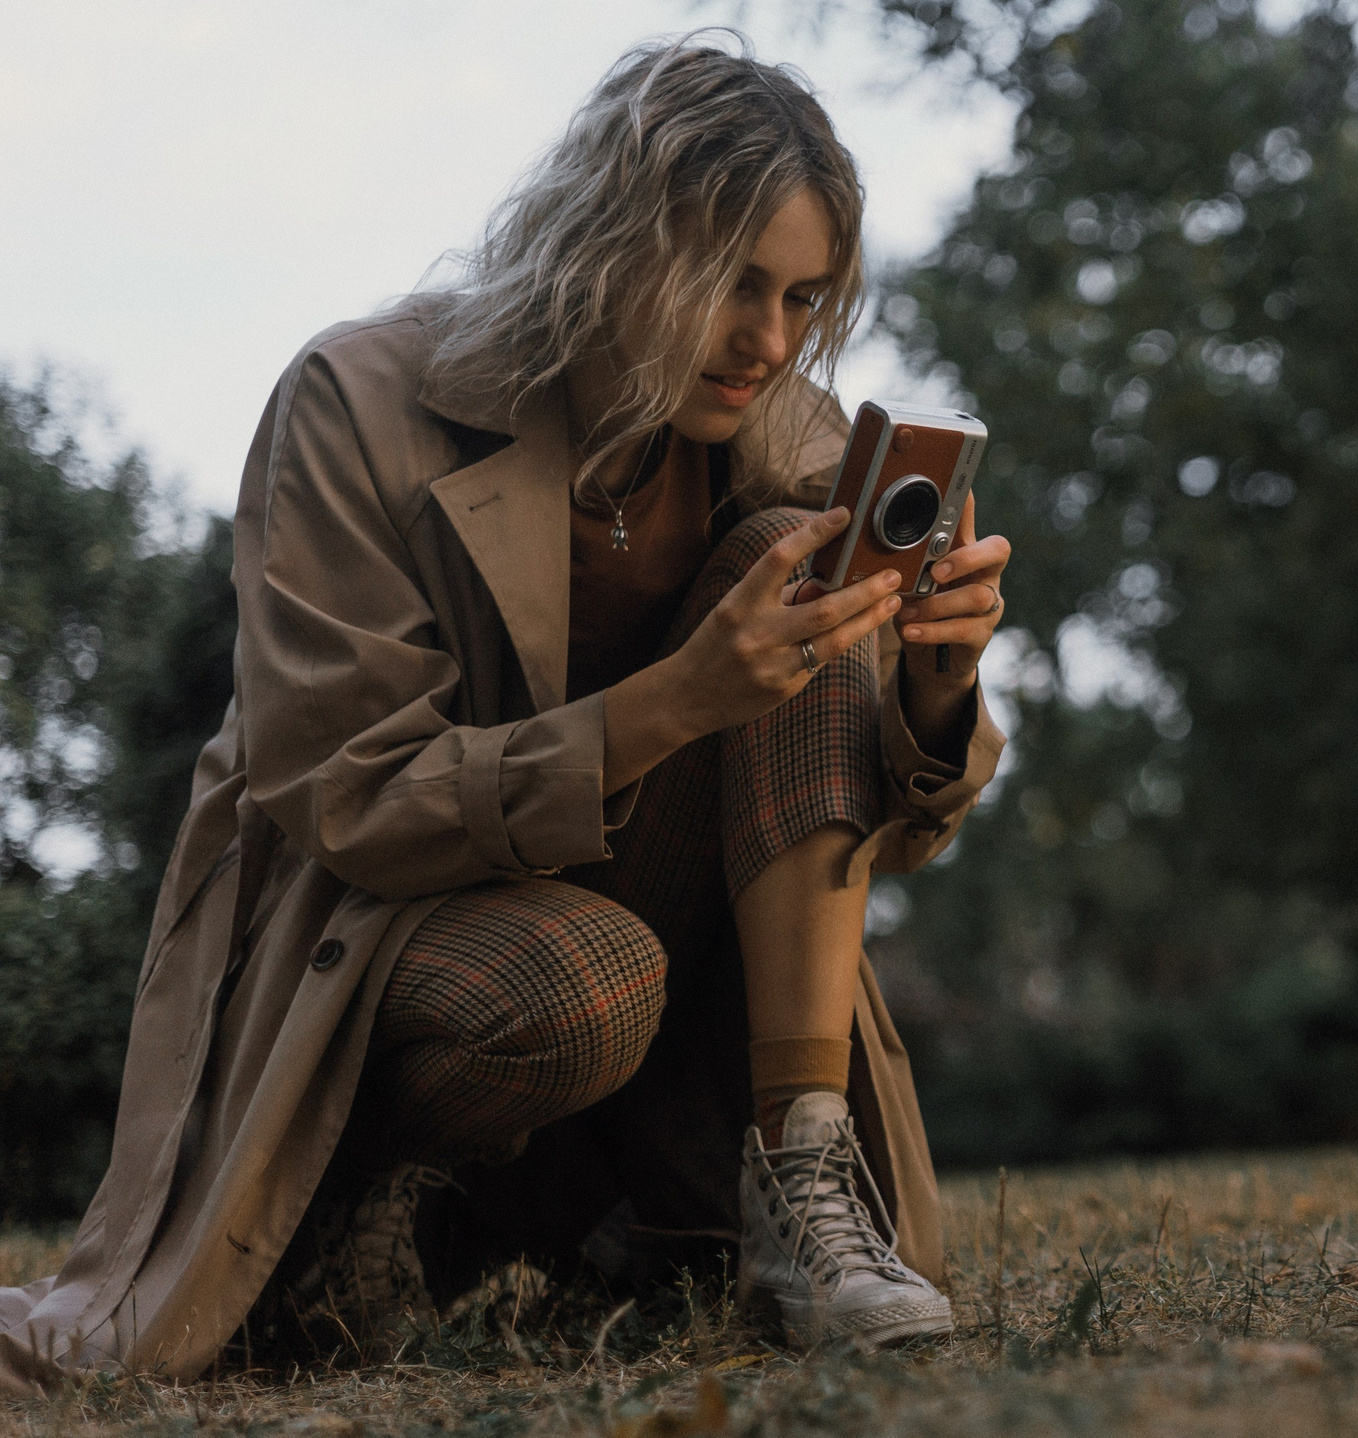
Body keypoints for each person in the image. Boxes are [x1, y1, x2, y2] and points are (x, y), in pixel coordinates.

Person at [0, 35, 1007, 1386]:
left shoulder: (795, 441)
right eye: (731, 286)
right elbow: (350, 797)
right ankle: (356, 1214)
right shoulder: (357, 403)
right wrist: (671, 702)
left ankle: (802, 1171)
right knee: (585, 979)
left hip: (666, 942)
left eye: (802, 298)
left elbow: (859, 829)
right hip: (390, 932)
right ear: (614, 243)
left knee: (798, 563)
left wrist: (941, 686)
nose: (769, 341)